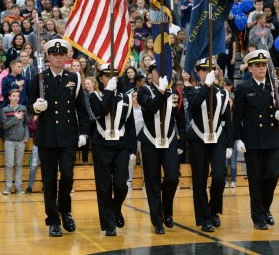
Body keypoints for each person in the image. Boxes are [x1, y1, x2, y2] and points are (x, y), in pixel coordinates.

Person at [27, 39, 89, 237]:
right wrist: (35, 108)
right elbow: (28, 105)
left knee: (68, 176)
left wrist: (83, 133)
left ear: (67, 56)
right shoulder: (39, 78)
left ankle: (65, 211)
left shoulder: (74, 78)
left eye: (62, 54)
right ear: (49, 57)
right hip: (46, 138)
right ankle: (53, 220)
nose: (59, 57)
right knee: (49, 180)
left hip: (68, 136)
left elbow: (82, 109)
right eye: (54, 54)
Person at [233, 50, 279, 230]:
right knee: (255, 180)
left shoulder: (275, 86)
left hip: (271, 140)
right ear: (250, 68)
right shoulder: (243, 88)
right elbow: (237, 118)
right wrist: (238, 139)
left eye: (264, 65)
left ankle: (265, 209)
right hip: (252, 142)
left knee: (272, 175)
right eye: (257, 65)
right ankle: (258, 217)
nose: (261, 68)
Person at [137, 60, 186, 235]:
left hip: (170, 141)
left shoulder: (176, 93)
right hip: (150, 141)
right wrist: (161, 91)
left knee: (172, 177)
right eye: (157, 70)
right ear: (152, 74)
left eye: (165, 70)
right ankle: (157, 220)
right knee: (153, 182)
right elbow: (150, 108)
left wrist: (182, 140)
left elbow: (180, 118)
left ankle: (168, 210)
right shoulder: (144, 90)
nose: (161, 73)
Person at [184, 58, 233, 232]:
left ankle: (213, 210)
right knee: (199, 180)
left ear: (217, 72)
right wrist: (207, 86)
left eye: (211, 69)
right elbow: (196, 104)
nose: (207, 72)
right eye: (203, 70)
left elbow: (227, 119)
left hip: (218, 138)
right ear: (197, 73)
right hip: (198, 139)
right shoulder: (190, 90)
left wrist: (230, 144)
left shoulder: (223, 93)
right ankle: (204, 218)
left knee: (219, 176)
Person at [89, 64, 136, 236]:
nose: (111, 78)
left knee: (121, 185)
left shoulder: (126, 98)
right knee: (104, 187)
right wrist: (108, 91)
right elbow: (101, 111)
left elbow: (130, 125)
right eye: (107, 76)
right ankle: (109, 224)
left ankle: (115, 210)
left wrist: (132, 149)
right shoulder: (95, 96)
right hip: (102, 146)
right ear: (101, 79)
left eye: (114, 75)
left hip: (121, 146)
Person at [2, 89, 29, 195]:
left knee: (19, 164)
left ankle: (18, 187)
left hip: (21, 141)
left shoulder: (23, 108)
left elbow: (25, 124)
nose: (16, 98)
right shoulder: (4, 110)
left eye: (17, 96)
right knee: (9, 165)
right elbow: (4, 126)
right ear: (9, 97)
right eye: (13, 96)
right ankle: (8, 188)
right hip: (9, 141)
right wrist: (15, 118)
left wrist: (26, 135)